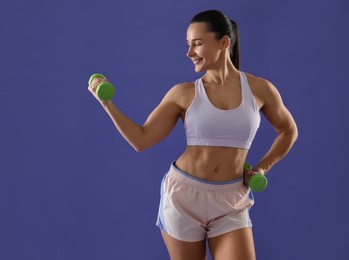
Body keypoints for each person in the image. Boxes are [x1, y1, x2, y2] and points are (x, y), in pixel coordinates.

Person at [88, 9, 298, 260]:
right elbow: (141, 140)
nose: (189, 52)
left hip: (231, 200)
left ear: (223, 43)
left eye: (197, 44)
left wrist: (263, 168)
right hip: (183, 198)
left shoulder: (260, 89)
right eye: (188, 45)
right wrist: (106, 104)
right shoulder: (183, 93)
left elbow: (288, 130)